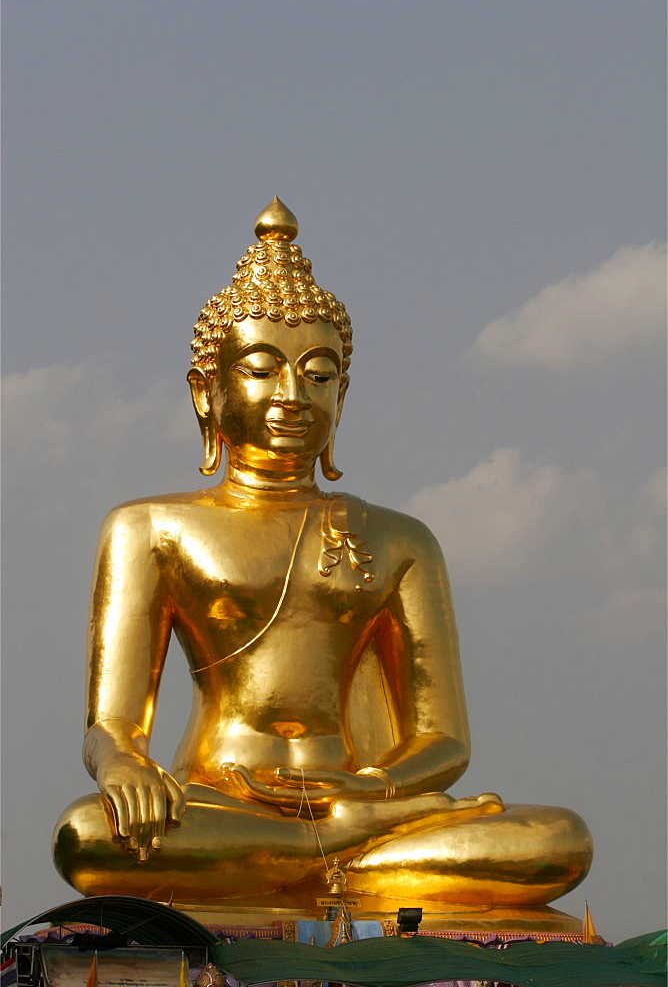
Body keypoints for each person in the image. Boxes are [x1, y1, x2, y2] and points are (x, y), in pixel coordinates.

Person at [53, 199, 592, 923]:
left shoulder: (401, 539)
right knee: (89, 836)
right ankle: (330, 853)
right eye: (261, 370)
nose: (291, 396)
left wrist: (376, 790)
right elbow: (113, 724)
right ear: (205, 394)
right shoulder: (151, 527)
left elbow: (444, 739)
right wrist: (121, 765)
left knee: (556, 839)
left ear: (344, 393)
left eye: (318, 375)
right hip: (221, 803)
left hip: (364, 800)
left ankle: (316, 854)